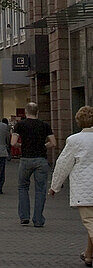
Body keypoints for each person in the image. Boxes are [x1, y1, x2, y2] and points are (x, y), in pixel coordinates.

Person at [50, 104, 93, 265]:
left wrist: (55, 186)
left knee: (90, 221)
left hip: (85, 189)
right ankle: (88, 255)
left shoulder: (74, 140)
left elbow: (63, 165)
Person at [12, 100, 55, 228]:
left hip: (26, 159)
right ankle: (38, 220)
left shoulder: (20, 125)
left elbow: (13, 142)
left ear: (26, 112)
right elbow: (53, 143)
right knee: (40, 190)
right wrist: (43, 146)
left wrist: (22, 145)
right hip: (41, 160)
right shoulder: (45, 125)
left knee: (23, 187)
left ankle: (24, 217)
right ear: (38, 112)